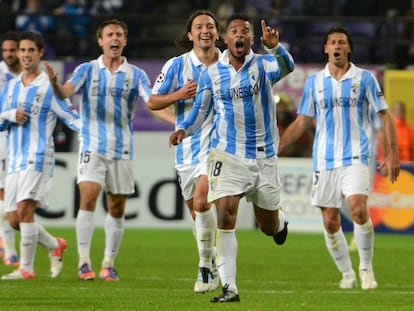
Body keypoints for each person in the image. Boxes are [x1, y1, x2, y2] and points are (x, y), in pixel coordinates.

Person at [169, 14, 294, 302]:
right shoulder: (211, 73)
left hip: (263, 158)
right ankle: (230, 287)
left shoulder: (263, 65)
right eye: (234, 31)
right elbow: (201, 110)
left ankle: (279, 221)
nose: (240, 35)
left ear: (251, 39)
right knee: (224, 214)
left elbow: (288, 67)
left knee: (267, 226)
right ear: (226, 38)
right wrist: (183, 129)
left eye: (245, 32)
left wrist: (277, 48)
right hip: (228, 154)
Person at [44, 19, 174, 281]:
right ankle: (83, 262)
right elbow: (66, 91)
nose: (114, 38)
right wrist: (56, 85)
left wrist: (176, 121)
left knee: (116, 207)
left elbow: (152, 102)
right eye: (109, 34)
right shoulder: (87, 70)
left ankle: (108, 262)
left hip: (122, 148)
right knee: (88, 199)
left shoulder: (135, 74)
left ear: (124, 40)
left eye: (119, 34)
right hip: (92, 144)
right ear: (100, 41)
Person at [279, 27, 400, 290]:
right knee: (330, 221)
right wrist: (277, 147)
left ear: (348, 49)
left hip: (356, 155)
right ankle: (347, 274)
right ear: (325, 49)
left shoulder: (365, 78)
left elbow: (385, 115)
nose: (337, 46)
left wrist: (393, 154)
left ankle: (366, 269)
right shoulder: (314, 82)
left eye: (342, 42)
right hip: (324, 159)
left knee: (358, 209)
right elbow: (302, 121)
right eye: (332, 42)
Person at [148, 10, 221, 294]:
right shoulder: (177, 65)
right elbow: (153, 101)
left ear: (217, 33)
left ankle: (204, 267)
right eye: (199, 26)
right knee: (197, 212)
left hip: (220, 148)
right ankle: (211, 261)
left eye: (211, 26)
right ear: (190, 34)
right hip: (186, 150)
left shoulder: (228, 63)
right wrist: (178, 95)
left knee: (203, 202)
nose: (205, 30)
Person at [0, 30, 80, 280]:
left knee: (25, 210)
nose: (25, 55)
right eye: (21, 50)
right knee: (14, 219)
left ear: (40, 53)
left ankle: (26, 269)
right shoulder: (11, 86)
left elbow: (72, 118)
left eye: (30, 51)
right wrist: (10, 116)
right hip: (14, 158)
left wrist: (92, 136)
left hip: (38, 157)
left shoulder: (48, 86)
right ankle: (54, 244)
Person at [0, 31, 22, 267]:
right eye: (4, 50)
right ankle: (10, 249)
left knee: (16, 200)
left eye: (12, 50)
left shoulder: (29, 75)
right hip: (2, 139)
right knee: (5, 196)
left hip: (24, 141)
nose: (8, 55)